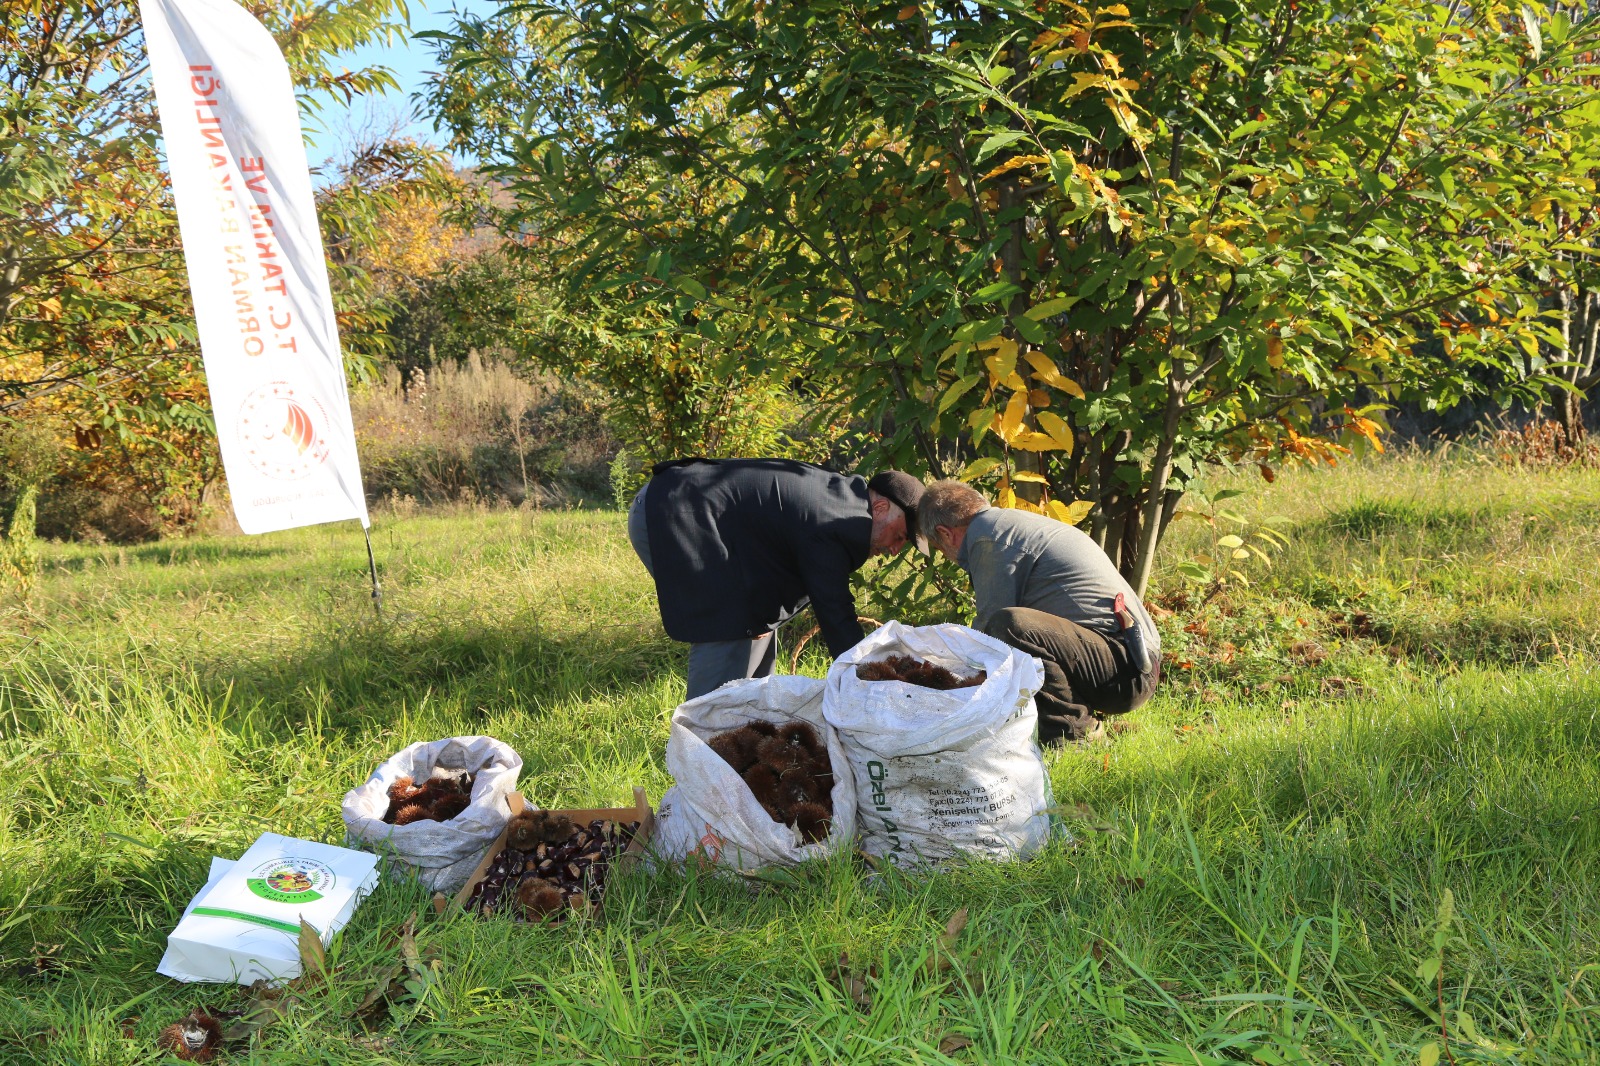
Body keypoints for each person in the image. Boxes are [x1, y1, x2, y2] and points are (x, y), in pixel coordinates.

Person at [627, 458, 925, 700]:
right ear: (880, 508)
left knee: (755, 625)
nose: (895, 550)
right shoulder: (836, 521)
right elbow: (835, 615)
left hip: (698, 517)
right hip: (675, 513)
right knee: (728, 627)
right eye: (900, 537)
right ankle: (701, 744)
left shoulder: (842, 504)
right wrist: (871, 681)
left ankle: (745, 731)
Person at [918, 480, 1161, 744]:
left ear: (945, 534)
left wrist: (945, 687)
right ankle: (1077, 721)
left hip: (1125, 671)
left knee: (1009, 626)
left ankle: (1071, 733)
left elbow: (987, 639)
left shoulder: (989, 536)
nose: (947, 555)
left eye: (939, 548)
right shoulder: (1007, 525)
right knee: (1013, 628)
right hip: (1127, 663)